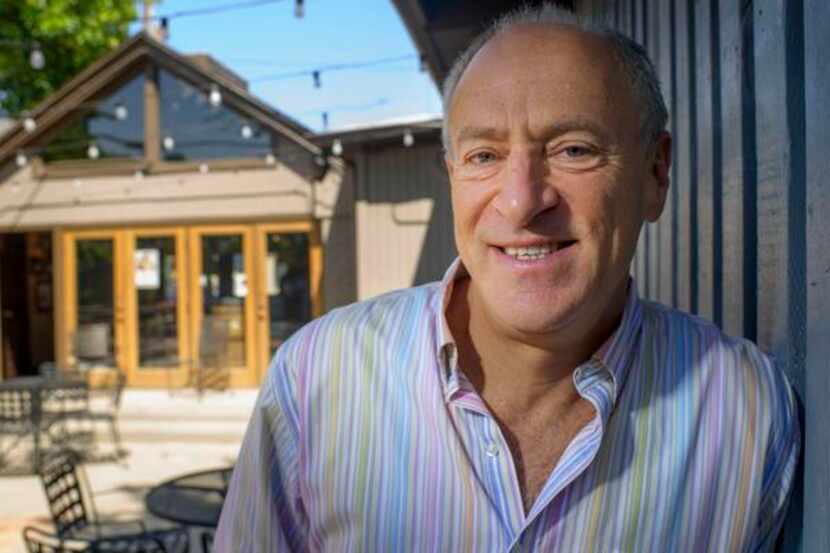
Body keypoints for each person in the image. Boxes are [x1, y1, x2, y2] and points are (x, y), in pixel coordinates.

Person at [215, 5, 800, 551]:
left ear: (655, 173)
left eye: (574, 149)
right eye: (484, 156)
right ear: (452, 177)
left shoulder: (748, 412)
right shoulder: (317, 379)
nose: (521, 202)